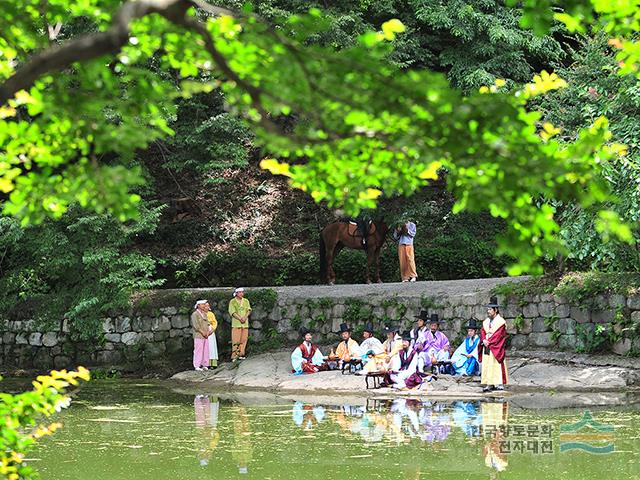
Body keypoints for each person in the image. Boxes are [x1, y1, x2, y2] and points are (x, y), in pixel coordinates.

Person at [479, 296, 508, 392]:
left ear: (495, 310)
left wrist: (489, 341)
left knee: (496, 364)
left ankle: (499, 383)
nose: (488, 311)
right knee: (487, 364)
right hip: (487, 344)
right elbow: (483, 331)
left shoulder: (501, 322)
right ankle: (489, 383)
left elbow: (499, 335)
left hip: (496, 346)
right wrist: (483, 340)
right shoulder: (486, 322)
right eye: (488, 309)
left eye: (490, 309)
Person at [228, 287, 252, 361]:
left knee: (244, 339)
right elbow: (232, 311)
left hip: (245, 323)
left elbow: (249, 310)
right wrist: (240, 318)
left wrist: (245, 317)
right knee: (236, 340)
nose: (242, 294)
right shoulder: (232, 301)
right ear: (236, 293)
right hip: (236, 323)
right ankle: (234, 355)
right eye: (240, 292)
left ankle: (241, 354)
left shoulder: (246, 301)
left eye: (242, 292)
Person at [191, 299, 212, 371]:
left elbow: (207, 323)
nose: (204, 306)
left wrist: (208, 332)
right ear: (198, 305)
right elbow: (195, 325)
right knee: (198, 350)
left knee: (206, 349)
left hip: (205, 335)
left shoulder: (204, 313)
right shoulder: (195, 314)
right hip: (198, 335)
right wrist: (202, 332)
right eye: (203, 304)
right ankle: (197, 365)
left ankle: (205, 364)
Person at [203, 301, 219, 368]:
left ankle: (213, 363)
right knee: (206, 347)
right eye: (205, 306)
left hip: (211, 331)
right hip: (204, 331)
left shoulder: (211, 314)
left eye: (208, 305)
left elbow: (214, 322)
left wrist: (212, 329)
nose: (207, 307)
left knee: (212, 347)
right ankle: (206, 364)